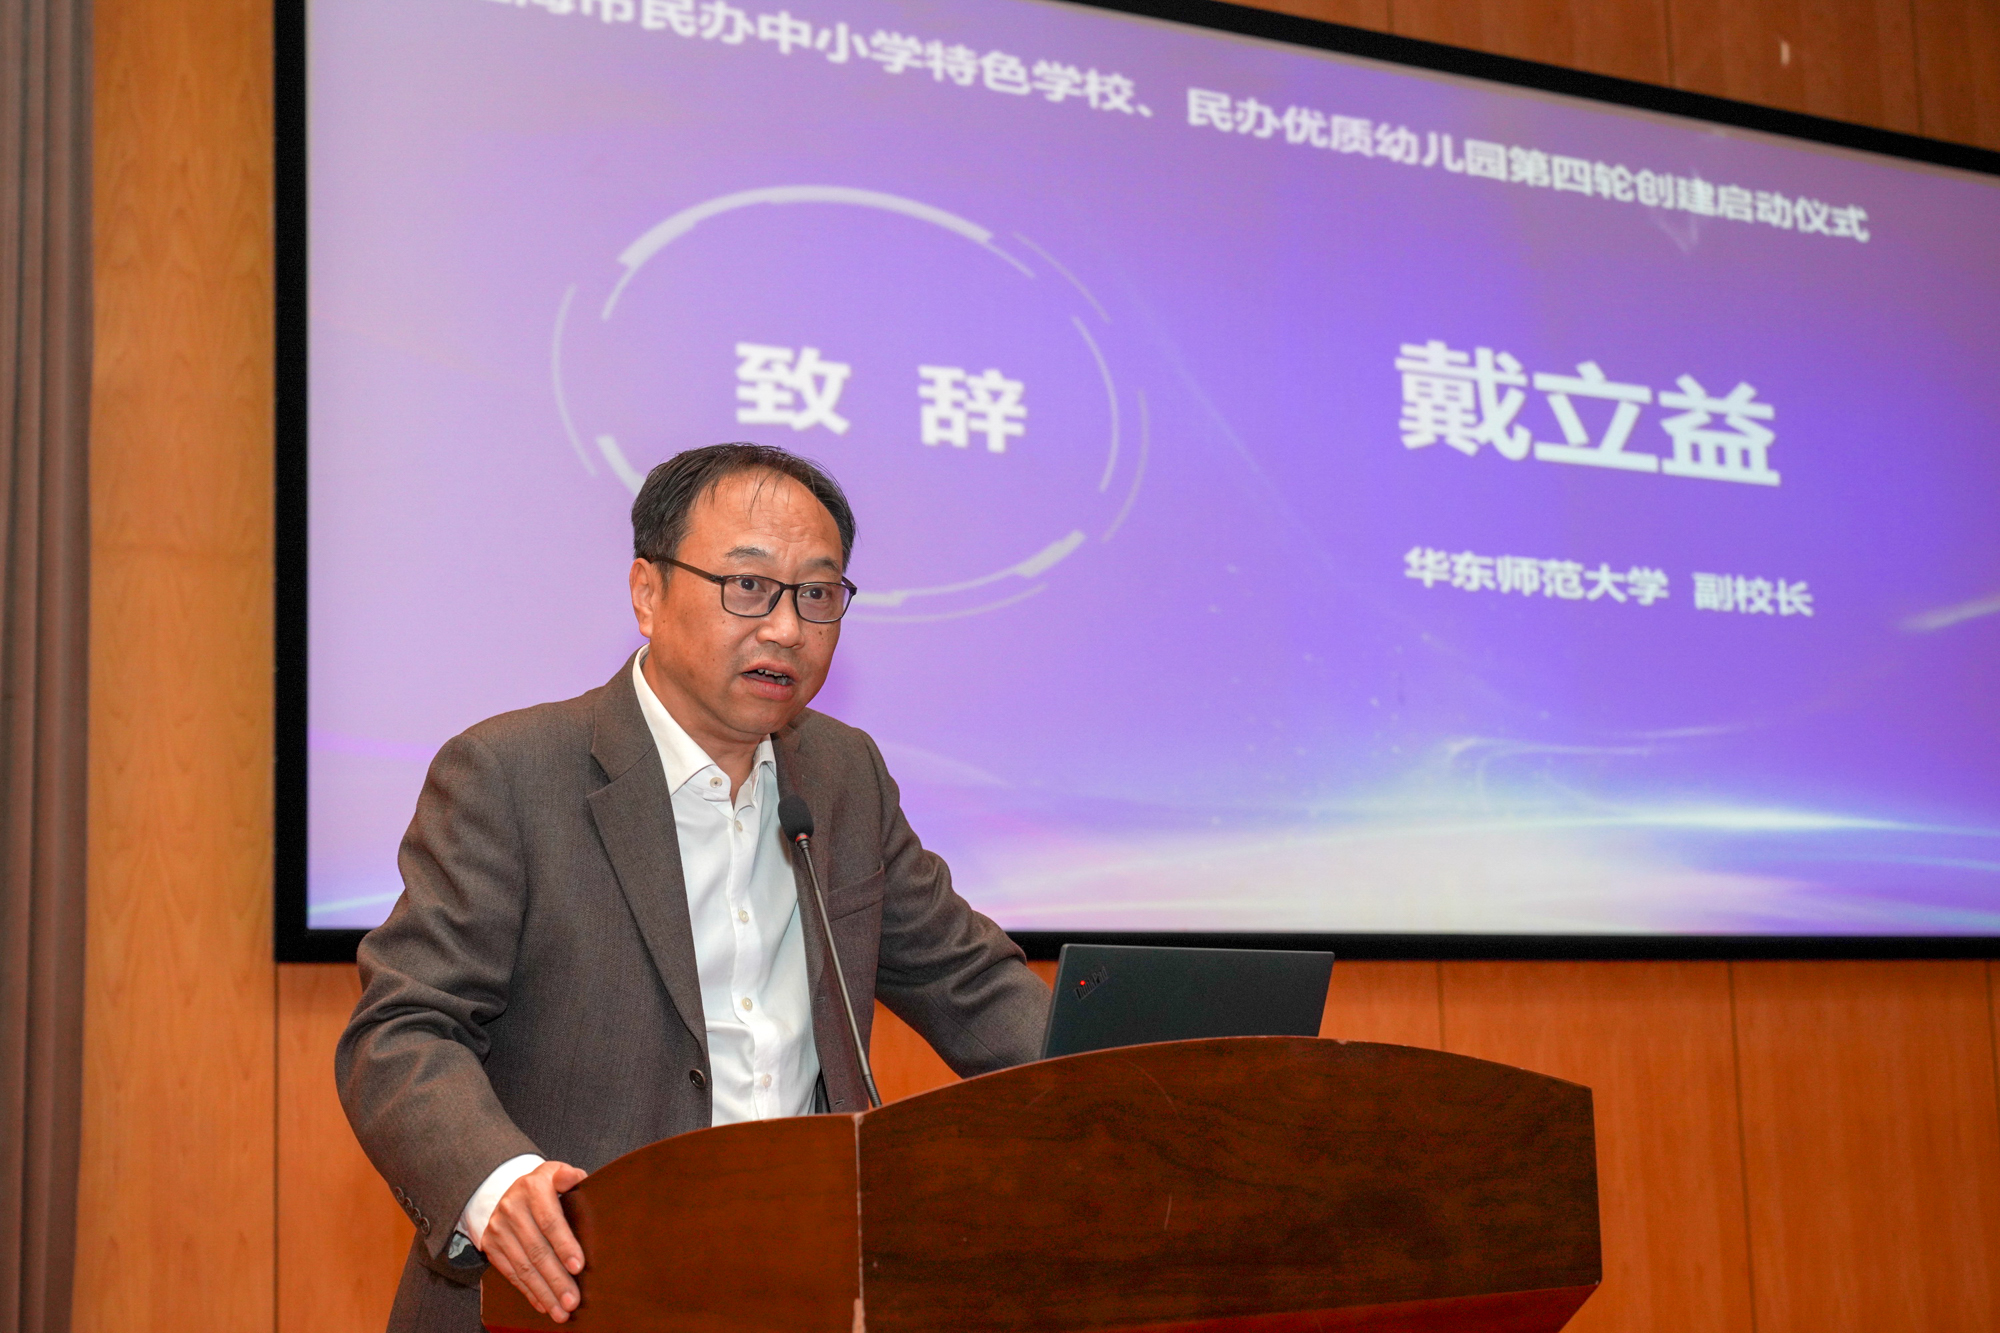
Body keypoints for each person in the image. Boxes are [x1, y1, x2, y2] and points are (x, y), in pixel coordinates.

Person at [336, 443, 1050, 1333]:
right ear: (647, 591)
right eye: (747, 586)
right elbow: (404, 1028)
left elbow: (971, 984)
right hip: (565, 1294)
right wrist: (498, 1183)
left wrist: (1151, 1088)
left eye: (817, 594)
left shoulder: (843, 776)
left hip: (798, 1288)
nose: (786, 628)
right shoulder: (510, 774)